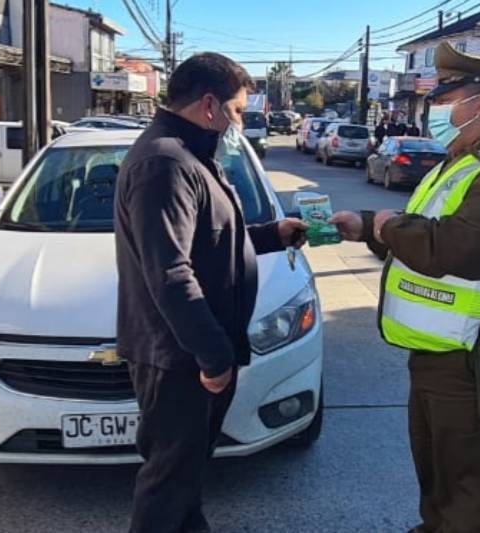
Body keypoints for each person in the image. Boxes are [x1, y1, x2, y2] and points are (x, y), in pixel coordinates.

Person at [331, 42, 480, 533]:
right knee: (440, 480)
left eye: (443, 101)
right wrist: (369, 224)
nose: (435, 112)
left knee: (473, 492)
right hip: (442, 355)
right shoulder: (464, 159)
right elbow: (422, 234)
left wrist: (385, 227)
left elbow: (459, 249)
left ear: (479, 104)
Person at [114, 52, 307, 533]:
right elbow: (170, 273)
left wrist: (272, 234)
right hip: (179, 359)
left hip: (191, 356)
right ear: (208, 105)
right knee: (167, 483)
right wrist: (214, 358)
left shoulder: (190, 155)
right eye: (237, 110)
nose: (239, 122)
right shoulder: (165, 163)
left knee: (185, 478)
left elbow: (212, 239)